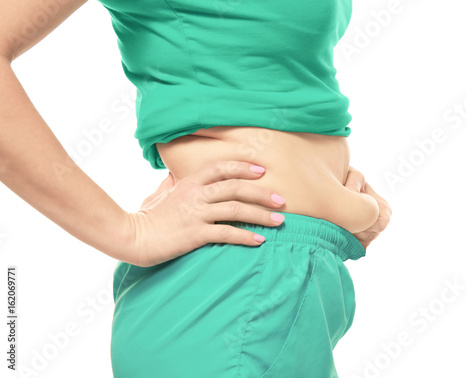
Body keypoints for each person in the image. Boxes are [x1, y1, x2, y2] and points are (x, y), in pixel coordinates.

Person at [0, 0, 392, 376]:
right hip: (229, 280)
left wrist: (346, 202)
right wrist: (127, 232)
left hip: (294, 275)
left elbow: (275, 79)